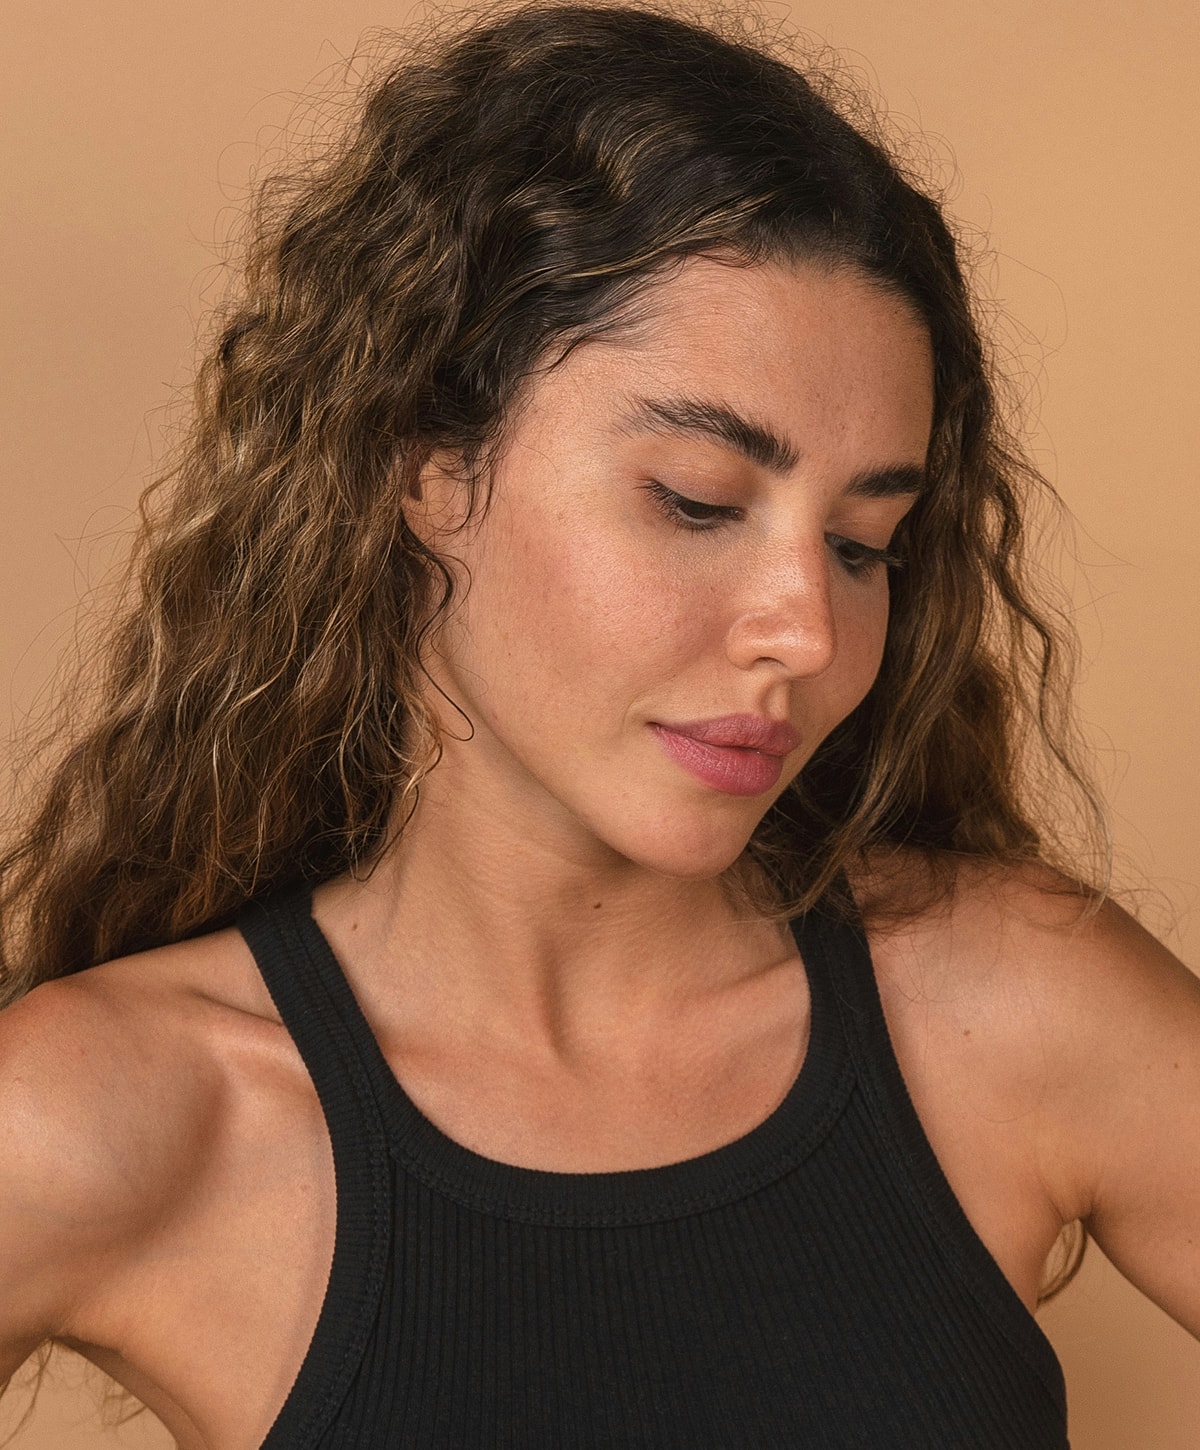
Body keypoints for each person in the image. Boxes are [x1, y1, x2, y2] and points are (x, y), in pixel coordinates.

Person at [1, 2, 1197, 1445]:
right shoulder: (118, 1113)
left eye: (867, 542)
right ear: (426, 467)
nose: (808, 630)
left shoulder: (1008, 1008)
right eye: (696, 499)